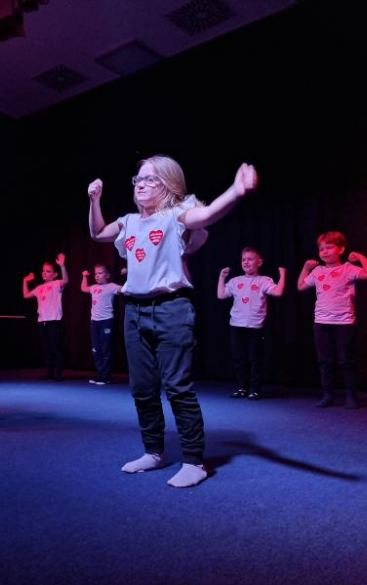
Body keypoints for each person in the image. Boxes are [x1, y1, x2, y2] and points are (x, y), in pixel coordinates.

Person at [87, 154, 258, 488]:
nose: (141, 184)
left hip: (172, 308)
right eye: (138, 179)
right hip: (134, 310)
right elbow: (97, 233)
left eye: (150, 179)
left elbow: (206, 214)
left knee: (178, 387)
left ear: (167, 186)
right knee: (142, 389)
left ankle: (195, 461)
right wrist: (94, 201)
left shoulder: (174, 216)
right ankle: (153, 452)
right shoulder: (127, 222)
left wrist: (235, 192)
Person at [297, 231, 367, 409]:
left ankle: (351, 396)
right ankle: (328, 396)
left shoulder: (347, 268)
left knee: (345, 360)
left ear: (341, 249)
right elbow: (301, 286)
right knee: (325, 361)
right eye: (321, 249)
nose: (324, 252)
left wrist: (360, 257)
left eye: (329, 247)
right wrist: (306, 268)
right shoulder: (318, 271)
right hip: (321, 322)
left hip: (344, 323)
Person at [217, 247, 286, 400]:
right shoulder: (235, 281)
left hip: (255, 326)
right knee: (239, 357)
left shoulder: (264, 280)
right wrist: (221, 277)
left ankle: (255, 389)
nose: (246, 262)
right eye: (244, 259)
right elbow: (221, 295)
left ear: (259, 262)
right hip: (236, 325)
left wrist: (282, 275)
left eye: (250, 259)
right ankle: (242, 387)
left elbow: (278, 292)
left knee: (255, 358)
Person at [22, 254, 69, 381]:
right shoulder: (39, 288)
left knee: (56, 348)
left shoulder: (56, 284)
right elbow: (26, 295)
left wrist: (62, 265)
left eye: (48, 271)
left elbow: (66, 281)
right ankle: (49, 372)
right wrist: (25, 281)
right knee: (47, 348)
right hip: (42, 321)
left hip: (54, 321)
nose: (44, 273)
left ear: (54, 274)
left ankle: (58, 373)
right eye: (43, 270)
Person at [80, 264, 122, 385]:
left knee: (105, 349)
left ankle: (106, 376)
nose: (97, 276)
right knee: (96, 349)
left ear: (107, 275)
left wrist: (125, 274)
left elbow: (124, 289)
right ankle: (99, 374)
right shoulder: (93, 287)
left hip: (106, 321)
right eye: (96, 273)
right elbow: (83, 288)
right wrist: (84, 277)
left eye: (100, 273)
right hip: (94, 322)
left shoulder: (111, 286)